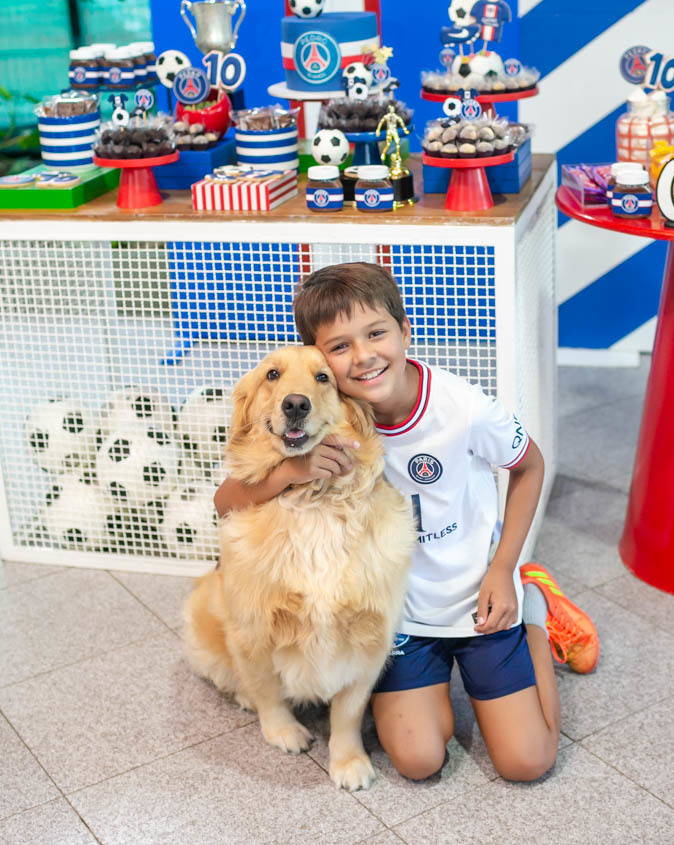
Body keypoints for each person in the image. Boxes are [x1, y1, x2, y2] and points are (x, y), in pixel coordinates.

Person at [215, 262, 598, 782]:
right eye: (341, 346)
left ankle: (534, 609)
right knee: (418, 760)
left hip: (478, 595)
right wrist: (292, 470)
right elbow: (228, 499)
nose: (364, 356)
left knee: (526, 761)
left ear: (404, 331)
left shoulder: (461, 407)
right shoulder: (330, 412)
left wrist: (504, 567)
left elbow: (529, 465)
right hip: (404, 616)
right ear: (321, 356)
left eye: (376, 334)